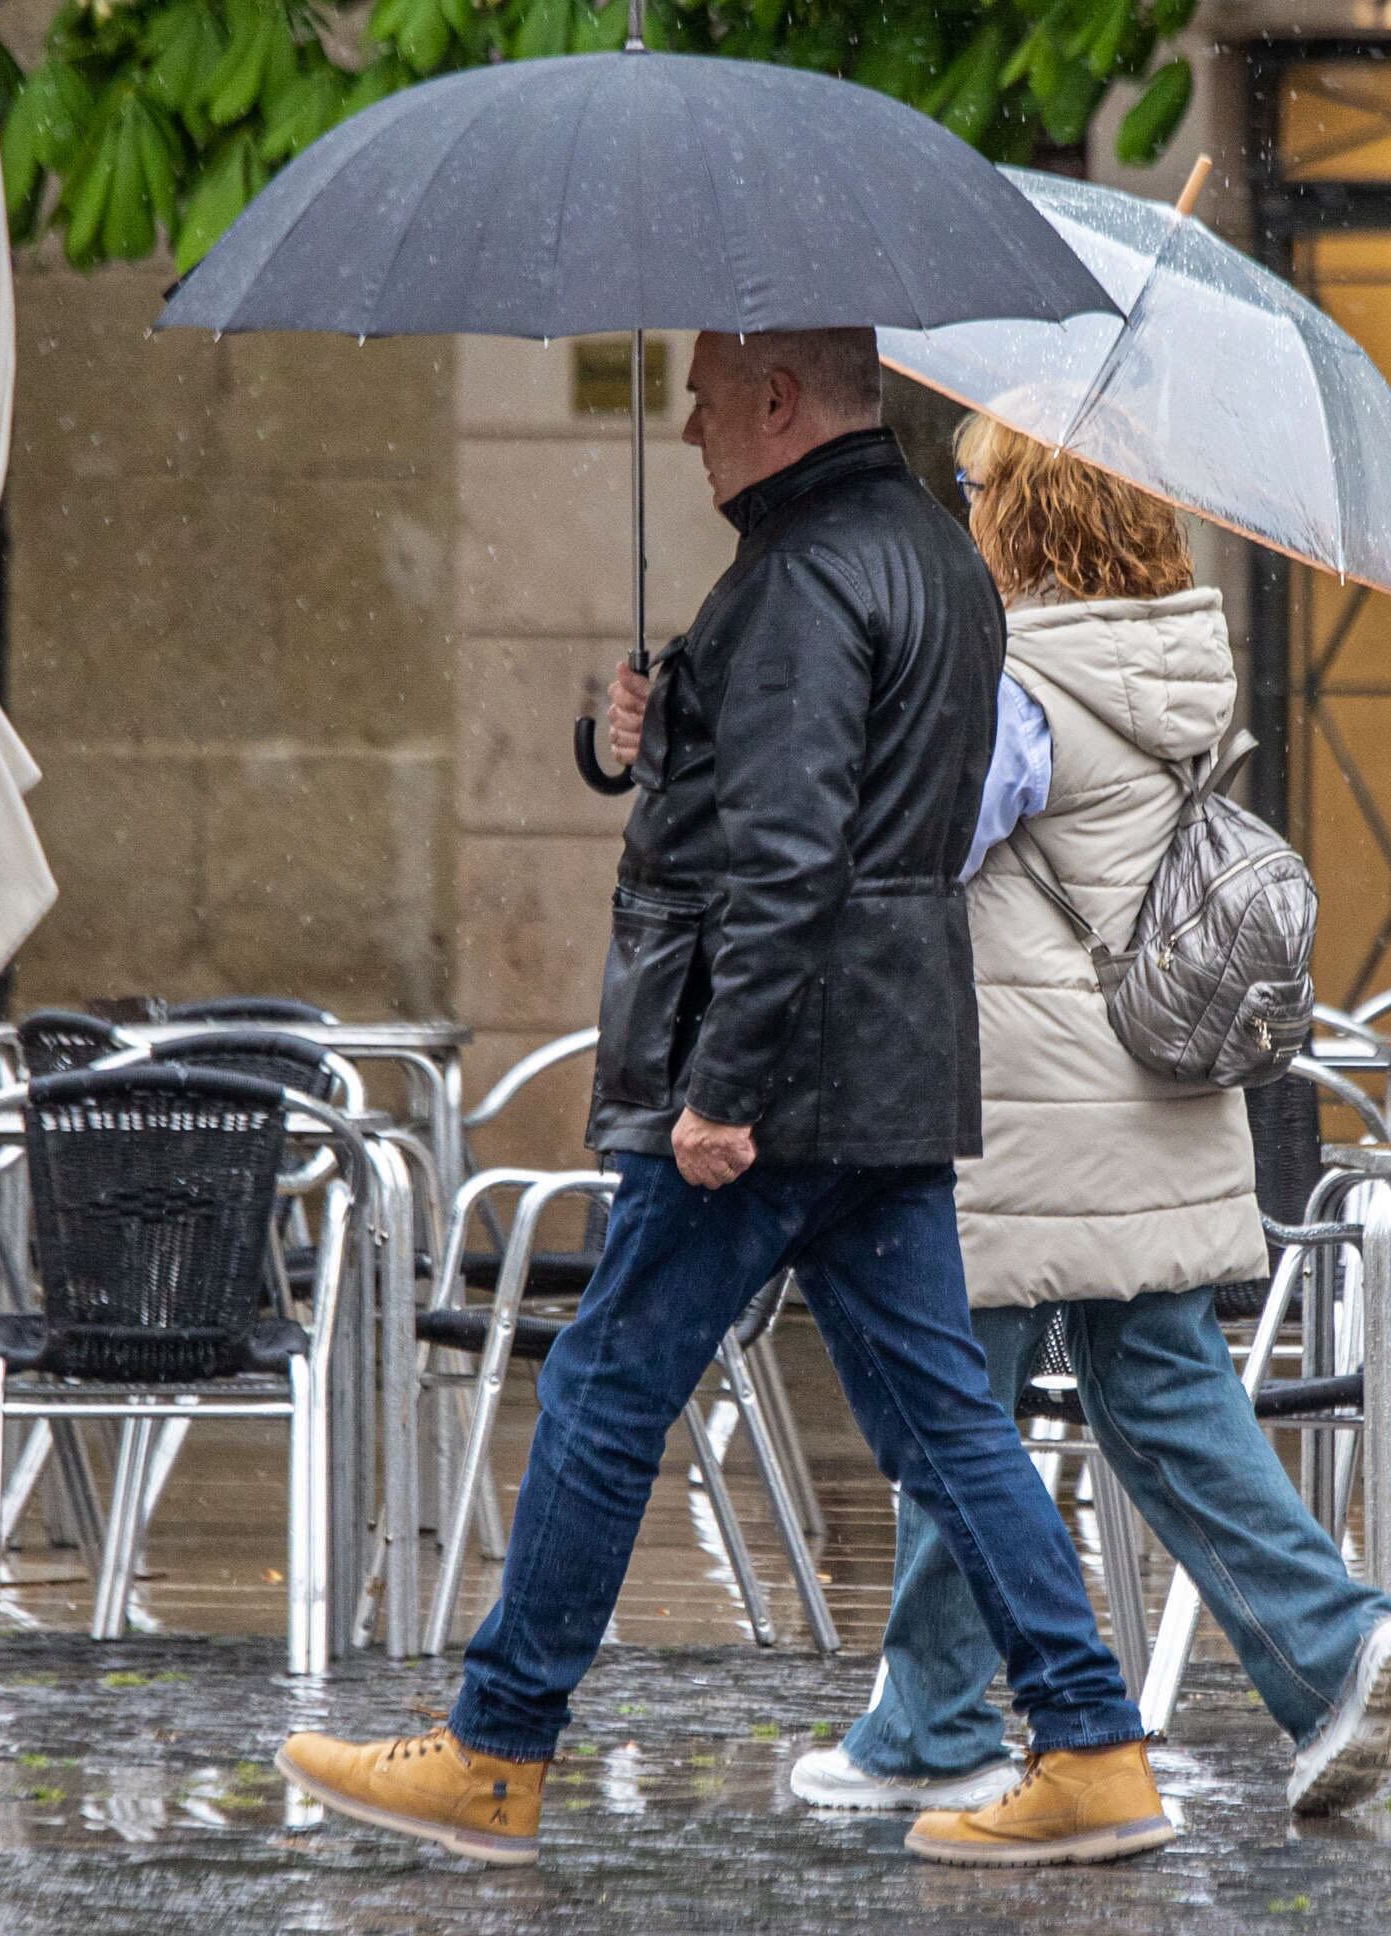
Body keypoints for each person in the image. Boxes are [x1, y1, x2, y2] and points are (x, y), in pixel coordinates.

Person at [275, 330, 1175, 1872]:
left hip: (778, 1087)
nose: (689, 430)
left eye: (705, 401)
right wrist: (636, 728)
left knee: (606, 1386)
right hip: (890, 1060)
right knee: (946, 1422)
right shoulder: (939, 559)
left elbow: (790, 857)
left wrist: (722, 1086)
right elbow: (863, 807)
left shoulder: (798, 580)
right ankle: (1092, 1745)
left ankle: (496, 1750)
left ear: (779, 400)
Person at [786, 416, 1391, 1824]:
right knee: (1169, 1399)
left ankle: (929, 1725)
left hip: (1024, 1120)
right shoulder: (1174, 668)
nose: (958, 510)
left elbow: (917, 849)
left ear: (1024, 518)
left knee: (957, 1413)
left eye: (974, 488)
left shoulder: (1021, 688)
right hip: (1156, 1108)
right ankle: (1336, 1649)